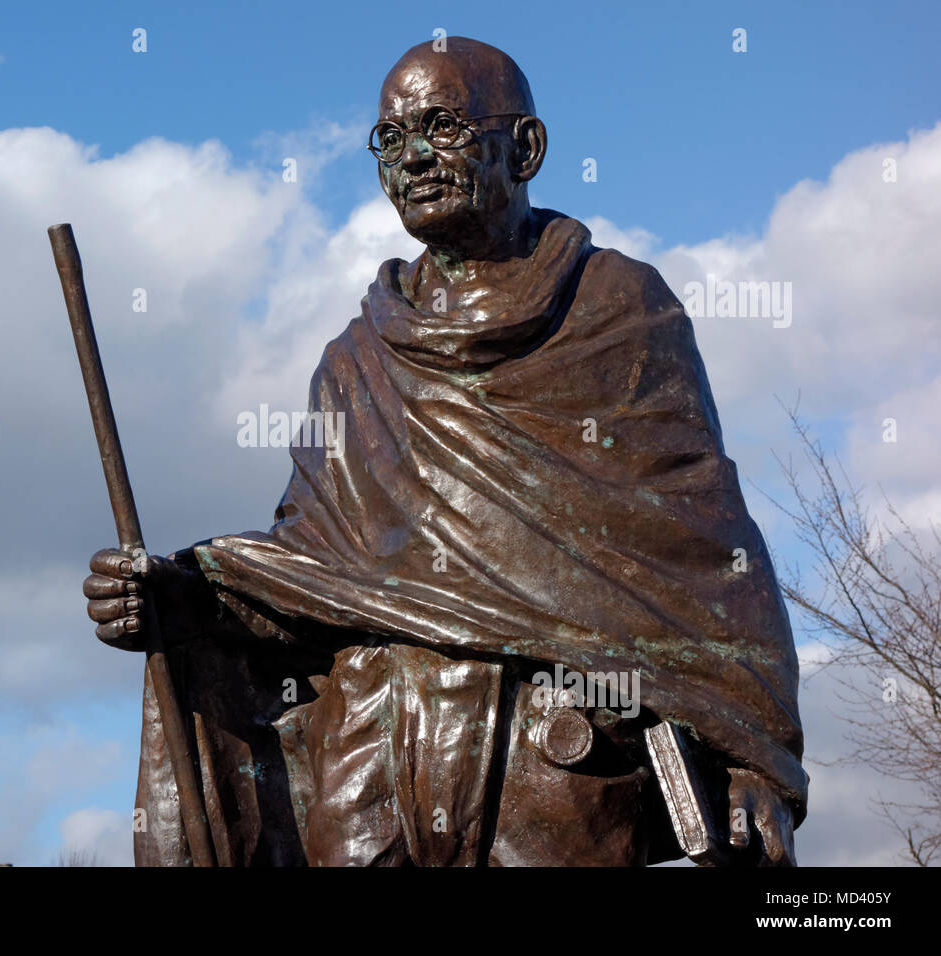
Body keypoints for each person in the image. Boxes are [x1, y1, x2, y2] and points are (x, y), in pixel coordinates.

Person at [84, 36, 805, 866]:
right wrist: (182, 597)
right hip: (369, 750)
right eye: (389, 140)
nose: (414, 157)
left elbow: (704, 541)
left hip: (556, 747)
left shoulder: (618, 309)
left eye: (444, 128)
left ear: (525, 148)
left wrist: (756, 757)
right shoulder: (355, 361)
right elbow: (310, 571)